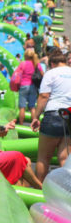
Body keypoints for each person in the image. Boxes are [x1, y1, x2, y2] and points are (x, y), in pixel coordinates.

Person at [31, 51, 71, 181]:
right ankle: (66, 191)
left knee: (43, 157)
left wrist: (36, 117)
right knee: (65, 157)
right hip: (69, 115)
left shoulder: (51, 73)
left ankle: (39, 188)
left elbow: (44, 96)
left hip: (53, 114)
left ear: (52, 63)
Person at [15, 49, 44, 125]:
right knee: (32, 107)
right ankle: (34, 124)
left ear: (25, 56)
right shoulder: (37, 64)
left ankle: (21, 124)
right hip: (33, 86)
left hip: (24, 86)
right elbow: (42, 74)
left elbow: (17, 74)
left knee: (22, 107)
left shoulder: (22, 64)